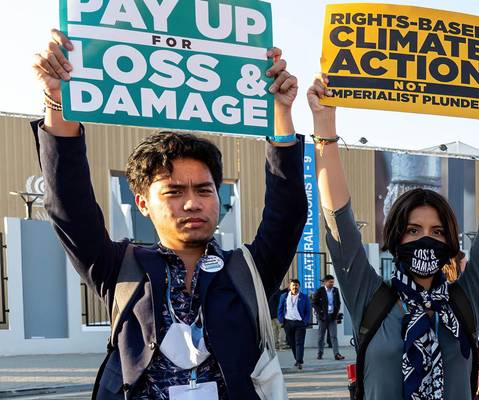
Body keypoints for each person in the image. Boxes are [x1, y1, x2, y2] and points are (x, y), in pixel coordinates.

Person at [31, 29, 303, 399]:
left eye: (204, 190)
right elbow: (70, 207)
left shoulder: (248, 270)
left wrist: (281, 114)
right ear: (143, 203)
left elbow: (287, 212)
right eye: (174, 192)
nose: (192, 203)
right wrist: (57, 101)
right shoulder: (120, 268)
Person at [306, 77, 479, 399]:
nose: (426, 239)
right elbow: (339, 223)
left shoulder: (465, 301)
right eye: (413, 230)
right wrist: (324, 121)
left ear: (450, 242)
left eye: (437, 232)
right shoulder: (370, 298)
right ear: (395, 237)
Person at [277, 279, 312, 369]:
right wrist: (281, 320)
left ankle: (299, 361)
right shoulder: (284, 296)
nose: (295, 287)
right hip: (288, 323)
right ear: (290, 286)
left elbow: (308, 311)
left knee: (299, 342)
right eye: (293, 285)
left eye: (296, 285)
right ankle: (297, 359)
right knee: (292, 343)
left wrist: (305, 322)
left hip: (300, 323)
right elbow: (280, 309)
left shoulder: (304, 297)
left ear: (299, 286)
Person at [311, 275, 345, 360]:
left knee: (334, 336)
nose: (332, 283)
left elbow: (338, 302)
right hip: (323, 317)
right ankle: (320, 353)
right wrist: (320, 313)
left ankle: (336, 354)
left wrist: (336, 313)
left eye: (333, 282)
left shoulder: (335, 290)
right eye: (330, 282)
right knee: (321, 336)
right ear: (325, 282)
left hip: (332, 316)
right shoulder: (320, 290)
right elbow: (314, 303)